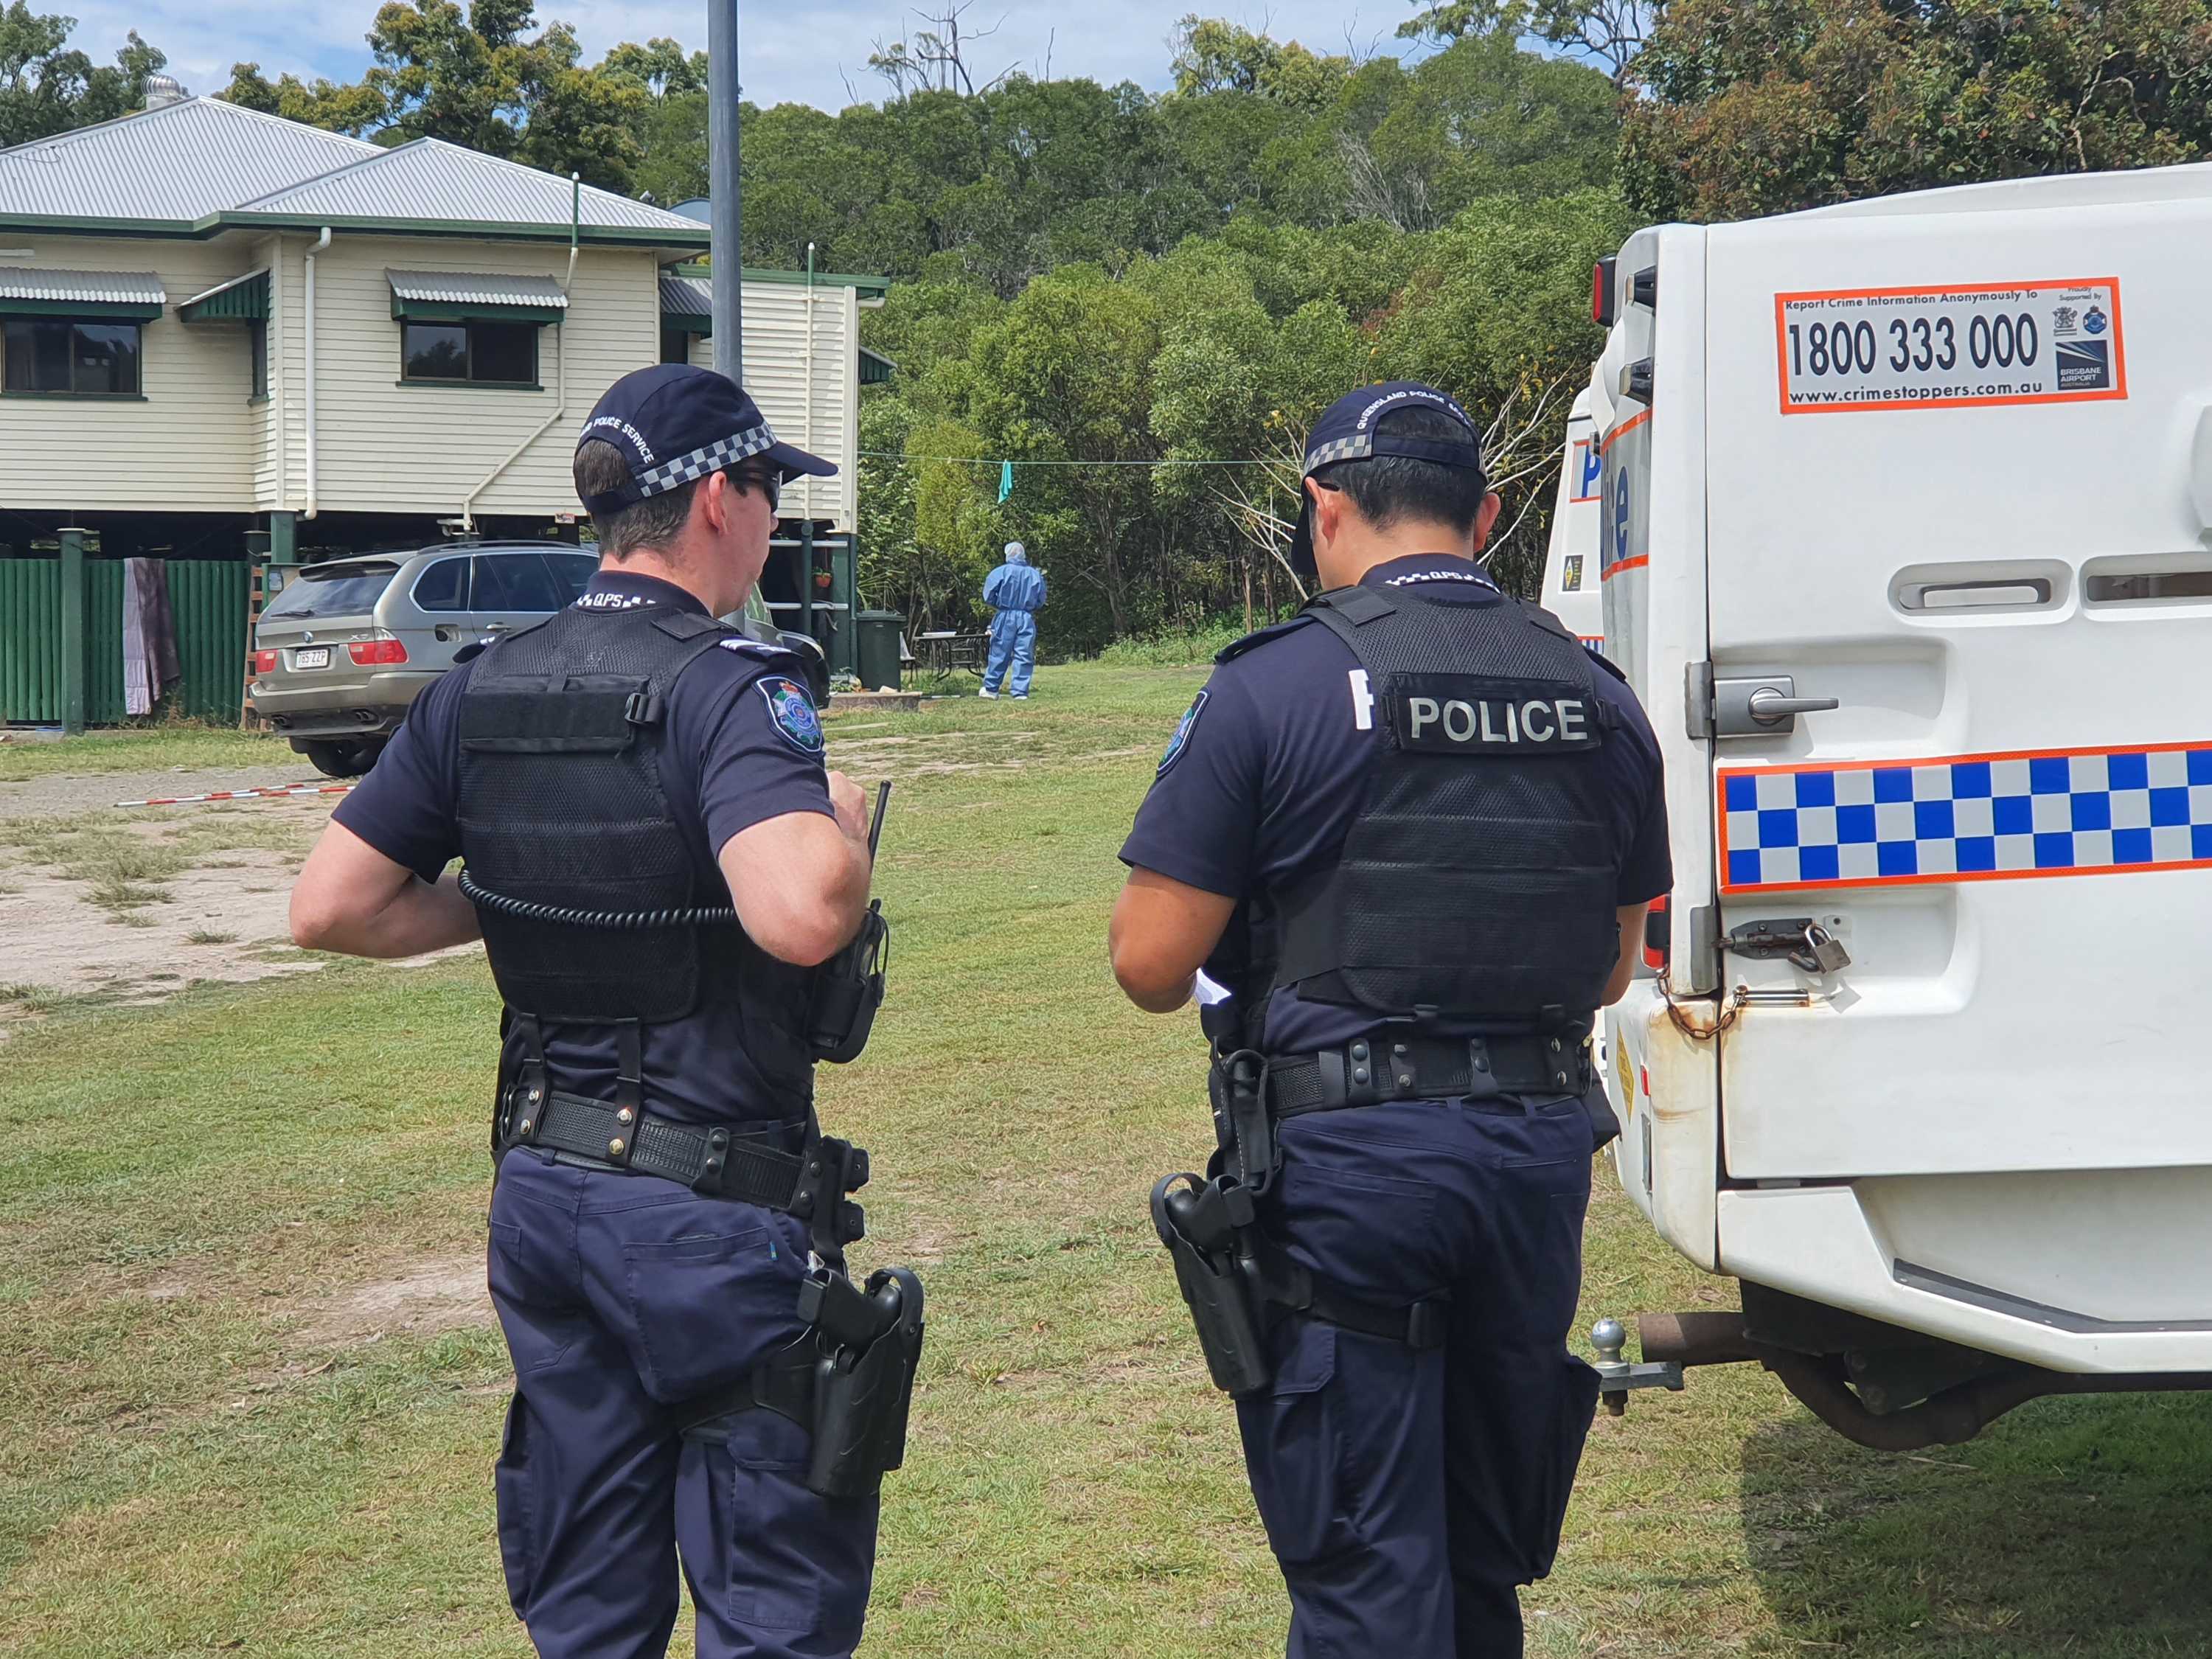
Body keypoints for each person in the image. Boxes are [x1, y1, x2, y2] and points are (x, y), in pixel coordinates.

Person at [288, 364, 897, 1659]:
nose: (776, 526)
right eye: (773, 493)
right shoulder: (735, 682)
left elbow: (332, 906)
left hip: (549, 1205)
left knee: (587, 1613)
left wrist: (502, 902)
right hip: (710, 1217)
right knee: (773, 1608)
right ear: (722, 497)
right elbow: (798, 913)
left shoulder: (485, 684)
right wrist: (843, 831)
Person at [1108, 382, 1670, 1658]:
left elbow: (1151, 963)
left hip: (1350, 1177)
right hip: (1530, 1170)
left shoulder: (1277, 686)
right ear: (1487, 511)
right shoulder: (1596, 692)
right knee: (1483, 1561)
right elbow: (1609, 965)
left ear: (1324, 506)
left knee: (1367, 1580)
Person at [978, 540, 1046, 699]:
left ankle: (991, 689)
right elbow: (1040, 600)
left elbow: (988, 596)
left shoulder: (999, 572)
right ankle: (1020, 692)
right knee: (1024, 653)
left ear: (1007, 554)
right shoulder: (1034, 574)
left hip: (1005, 615)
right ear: (1023, 554)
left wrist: (1001, 605)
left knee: (999, 652)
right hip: (1026, 617)